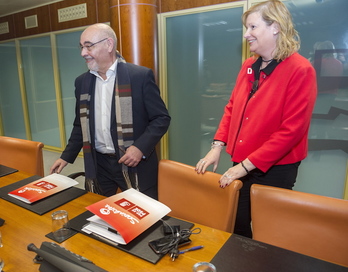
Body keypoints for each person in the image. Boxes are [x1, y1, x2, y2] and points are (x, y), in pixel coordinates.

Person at [195, 0, 317, 238]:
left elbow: (291, 131)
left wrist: (245, 167)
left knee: (269, 232)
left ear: (275, 27)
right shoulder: (249, 66)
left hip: (275, 168)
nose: (246, 34)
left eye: (252, 27)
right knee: (237, 224)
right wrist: (217, 146)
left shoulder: (300, 70)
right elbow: (232, 108)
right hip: (242, 161)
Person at [50, 23, 171, 199]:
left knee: (144, 215)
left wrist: (140, 148)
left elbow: (161, 118)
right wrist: (66, 157)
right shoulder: (82, 83)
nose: (83, 53)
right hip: (99, 164)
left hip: (134, 163)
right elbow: (80, 125)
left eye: (88, 45)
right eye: (82, 47)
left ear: (108, 44)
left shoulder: (139, 76)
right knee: (98, 213)